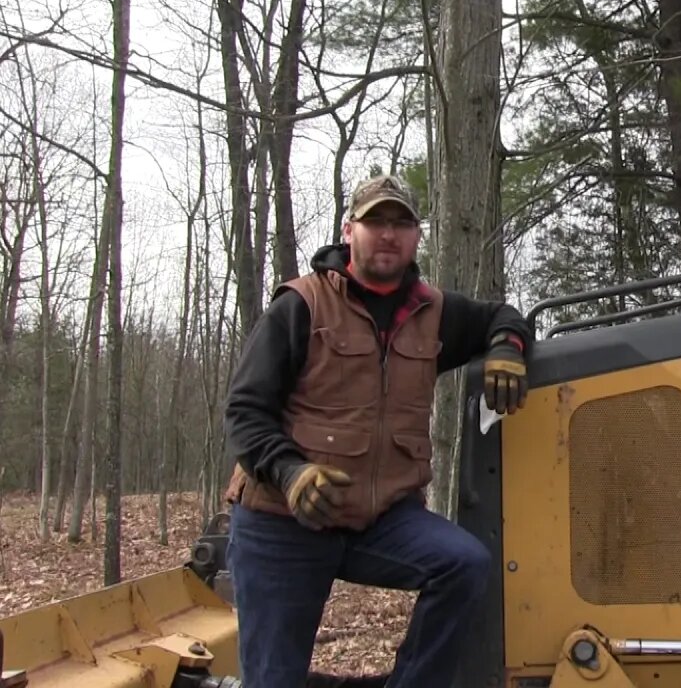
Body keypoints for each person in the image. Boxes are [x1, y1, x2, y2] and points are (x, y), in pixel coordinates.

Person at [221, 174, 534, 688]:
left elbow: (504, 315)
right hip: (282, 522)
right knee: (274, 680)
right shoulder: (301, 305)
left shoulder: (434, 313)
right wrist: (291, 472)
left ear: (416, 236)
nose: (388, 234)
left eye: (401, 223)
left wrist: (506, 347)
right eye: (375, 222)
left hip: (378, 522)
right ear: (349, 230)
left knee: (464, 564)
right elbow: (245, 410)